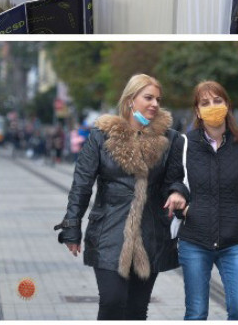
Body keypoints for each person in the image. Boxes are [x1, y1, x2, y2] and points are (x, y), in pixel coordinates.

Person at [55, 74, 179, 320]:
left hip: (150, 233)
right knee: (112, 302)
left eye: (158, 99)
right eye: (148, 97)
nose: (155, 103)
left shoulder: (170, 139)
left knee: (136, 310)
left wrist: (178, 192)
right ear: (131, 100)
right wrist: (72, 227)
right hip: (109, 231)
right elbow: (81, 183)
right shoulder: (102, 136)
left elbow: (176, 178)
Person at [163, 81, 238, 321]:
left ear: (227, 105)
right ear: (198, 111)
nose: (212, 106)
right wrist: (184, 209)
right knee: (197, 313)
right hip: (194, 241)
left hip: (234, 242)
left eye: (217, 101)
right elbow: (173, 183)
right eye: (205, 103)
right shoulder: (184, 144)